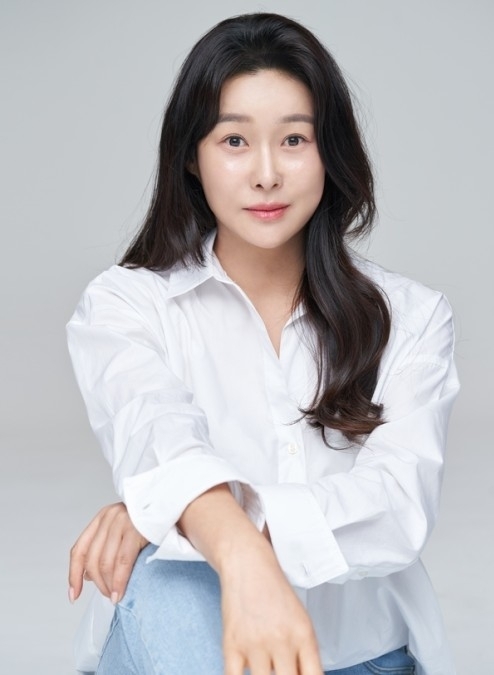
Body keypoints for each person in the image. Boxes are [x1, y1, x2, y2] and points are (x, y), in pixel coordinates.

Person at [66, 12, 459, 675]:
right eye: (235, 141)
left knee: (167, 532)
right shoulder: (127, 304)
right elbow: (158, 436)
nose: (267, 174)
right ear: (191, 156)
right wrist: (230, 546)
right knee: (169, 585)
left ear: (330, 152)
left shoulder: (413, 317)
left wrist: (179, 511)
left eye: (294, 139)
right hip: (188, 640)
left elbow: (396, 508)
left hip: (358, 654)